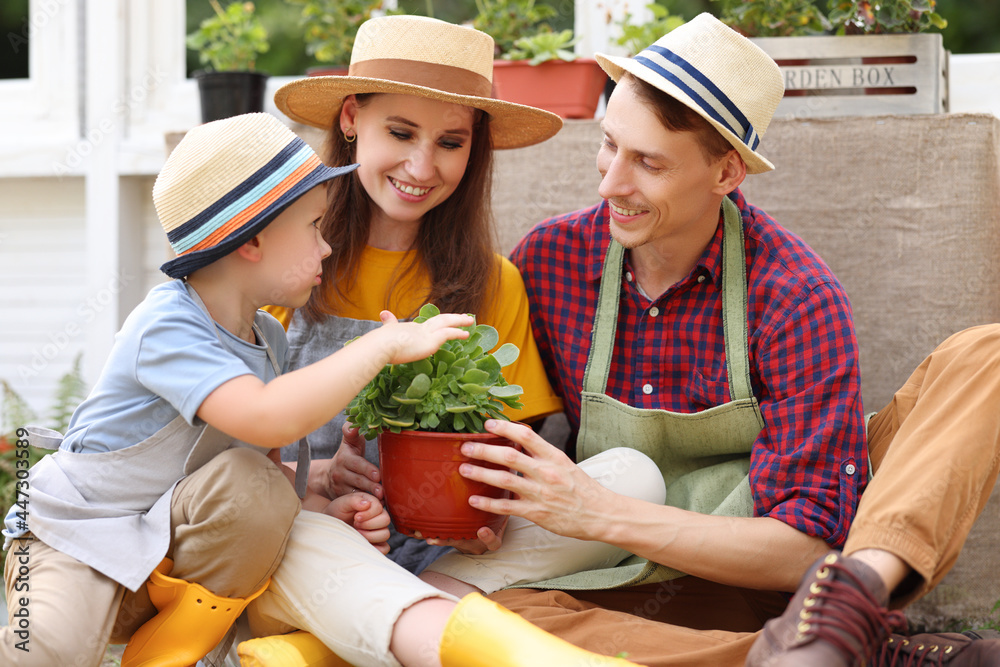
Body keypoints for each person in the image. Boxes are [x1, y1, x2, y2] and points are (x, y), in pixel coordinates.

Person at [401, 13, 1000, 667]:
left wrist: (599, 511)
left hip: (781, 586)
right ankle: (857, 658)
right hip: (621, 589)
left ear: (725, 175)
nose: (609, 184)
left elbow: (806, 548)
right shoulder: (551, 261)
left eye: (648, 163)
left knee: (986, 356)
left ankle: (838, 617)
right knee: (466, 616)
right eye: (609, 145)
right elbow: (508, 441)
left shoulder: (794, 294)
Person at [0, 112, 638, 667]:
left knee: (254, 486)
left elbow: (258, 473)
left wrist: (323, 488)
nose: (326, 245)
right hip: (70, 537)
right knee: (47, 653)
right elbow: (266, 419)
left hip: (160, 543)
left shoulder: (261, 337)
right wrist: (382, 346)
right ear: (250, 241)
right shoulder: (166, 326)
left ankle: (175, 654)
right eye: (311, 227)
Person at [266, 13, 565, 574]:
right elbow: (227, 449)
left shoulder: (495, 280)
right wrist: (324, 474)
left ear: (474, 148)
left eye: (450, 142)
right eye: (401, 133)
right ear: (353, 117)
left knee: (629, 477)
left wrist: (486, 517)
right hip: (304, 534)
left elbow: (510, 453)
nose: (422, 166)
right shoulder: (282, 265)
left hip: (444, 554)